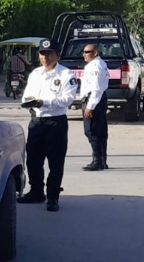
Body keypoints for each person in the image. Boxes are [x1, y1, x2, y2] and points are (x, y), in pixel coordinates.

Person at [18, 38, 77, 212]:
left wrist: (44, 102)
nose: (45, 57)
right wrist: (29, 102)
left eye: (49, 54)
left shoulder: (66, 75)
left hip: (55, 122)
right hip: (36, 122)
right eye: (42, 54)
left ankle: (53, 197)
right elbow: (27, 95)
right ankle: (36, 192)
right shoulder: (35, 73)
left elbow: (68, 99)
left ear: (57, 55)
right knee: (33, 160)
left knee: (55, 162)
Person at [78, 43, 110, 171]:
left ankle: (97, 161)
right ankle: (102, 160)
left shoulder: (95, 66)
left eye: (87, 52)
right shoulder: (97, 64)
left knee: (92, 130)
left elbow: (96, 89)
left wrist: (90, 106)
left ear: (95, 53)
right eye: (84, 52)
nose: (84, 54)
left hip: (94, 99)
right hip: (98, 98)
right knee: (100, 131)